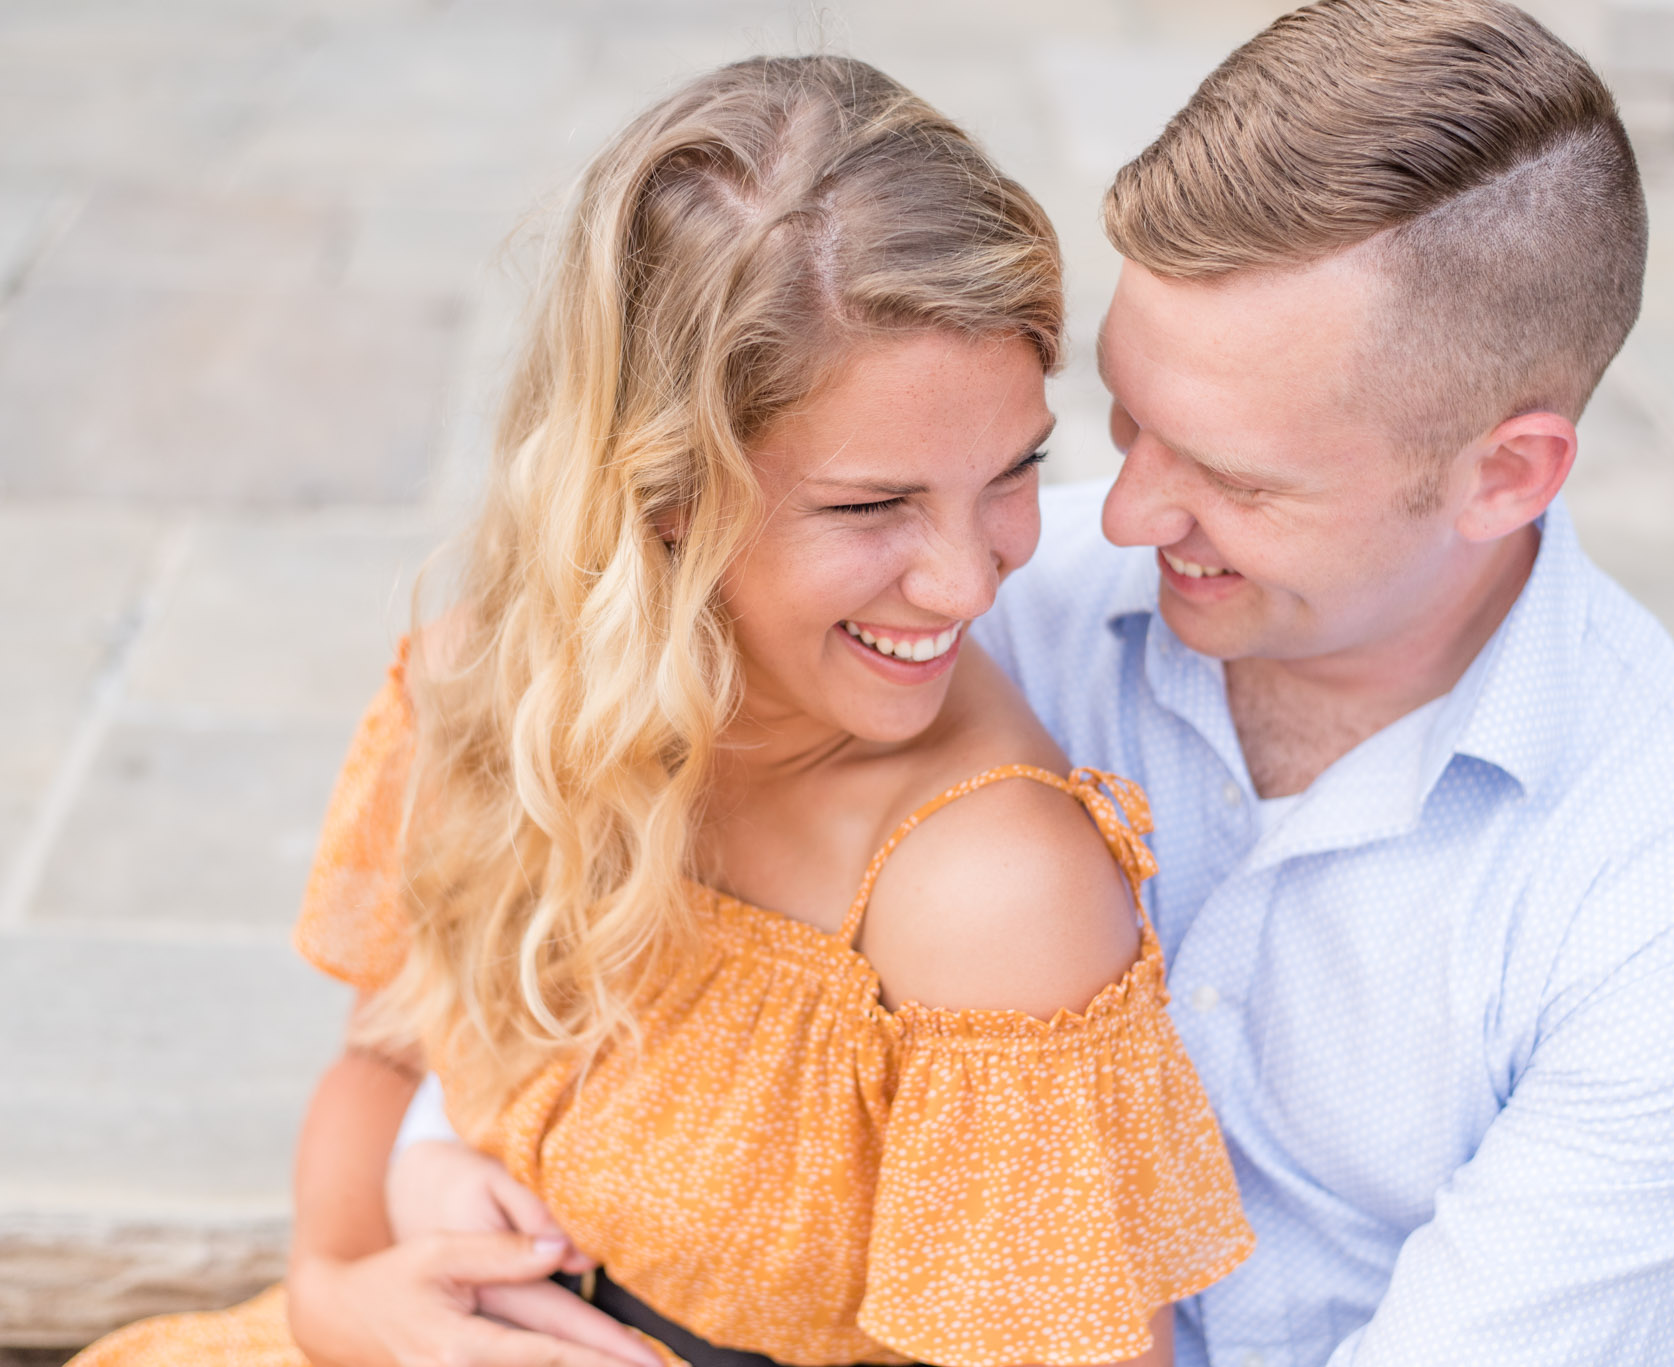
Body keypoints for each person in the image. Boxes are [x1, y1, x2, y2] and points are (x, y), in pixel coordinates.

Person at [65, 54, 1252, 1367]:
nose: (973, 579)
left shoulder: (984, 888)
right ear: (660, 492)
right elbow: (385, 1058)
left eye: (1015, 471)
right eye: (872, 506)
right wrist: (339, 1299)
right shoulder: (487, 683)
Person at [971, 1, 1674, 1364]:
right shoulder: (1002, 603)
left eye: (1240, 479)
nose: (1128, 516)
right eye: (1127, 420)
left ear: (1507, 476)